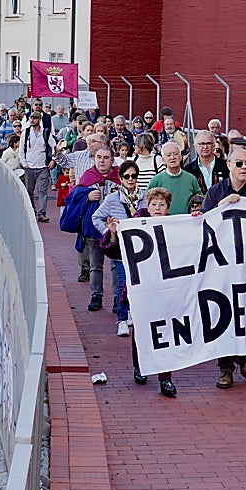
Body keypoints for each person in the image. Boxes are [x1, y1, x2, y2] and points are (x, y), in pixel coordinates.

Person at [201, 146, 246, 388]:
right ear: (228, 164)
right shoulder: (215, 192)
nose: (244, 168)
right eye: (239, 163)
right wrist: (223, 205)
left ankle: (245, 357)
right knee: (225, 313)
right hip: (223, 264)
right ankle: (226, 367)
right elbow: (204, 223)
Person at [130, 187, 179, 397]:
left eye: (162, 204)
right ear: (147, 206)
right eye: (154, 204)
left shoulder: (176, 226)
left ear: (168, 207)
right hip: (143, 288)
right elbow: (113, 250)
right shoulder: (134, 225)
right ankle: (140, 365)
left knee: (165, 330)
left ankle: (165, 378)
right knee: (142, 327)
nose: (157, 208)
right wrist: (113, 233)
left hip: (166, 287)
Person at [92, 160, 143, 337]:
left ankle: (132, 312)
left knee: (137, 284)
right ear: (121, 178)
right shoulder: (112, 199)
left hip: (140, 251)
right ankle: (121, 319)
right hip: (120, 250)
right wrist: (108, 231)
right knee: (123, 283)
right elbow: (96, 217)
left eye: (134, 176)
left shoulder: (144, 198)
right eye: (127, 176)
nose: (130, 179)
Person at [75, 147, 120, 307]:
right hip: (94, 228)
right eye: (99, 157)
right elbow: (73, 198)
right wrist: (86, 196)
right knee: (95, 265)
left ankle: (118, 298)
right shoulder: (88, 177)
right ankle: (96, 296)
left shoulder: (120, 177)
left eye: (106, 157)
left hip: (115, 229)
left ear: (112, 160)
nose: (102, 161)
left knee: (116, 265)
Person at [146, 142, 202, 215]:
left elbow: (199, 200)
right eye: (168, 155)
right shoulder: (156, 180)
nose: (172, 157)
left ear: (181, 157)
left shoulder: (191, 179)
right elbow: (147, 202)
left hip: (187, 222)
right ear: (163, 159)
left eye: (175, 154)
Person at [20, 111, 53, 222]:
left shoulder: (46, 133)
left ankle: (42, 213)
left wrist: (53, 160)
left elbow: (54, 147)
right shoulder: (26, 133)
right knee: (29, 190)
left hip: (42, 166)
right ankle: (32, 211)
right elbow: (21, 149)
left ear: (39, 120)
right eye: (31, 118)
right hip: (29, 166)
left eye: (35, 118)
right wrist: (24, 163)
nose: (32, 120)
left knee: (42, 191)